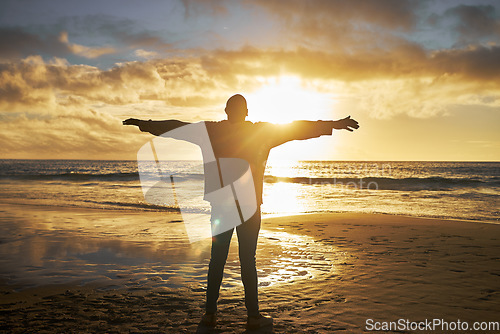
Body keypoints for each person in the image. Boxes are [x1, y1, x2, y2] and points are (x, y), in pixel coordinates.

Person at [123, 94, 359, 330]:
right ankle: (252, 316)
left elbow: (176, 127)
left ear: (226, 111)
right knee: (247, 260)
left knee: (218, 259)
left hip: (223, 206)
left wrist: (145, 124)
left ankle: (210, 314)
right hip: (248, 207)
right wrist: (332, 124)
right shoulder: (260, 132)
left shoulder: (212, 131)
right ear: (246, 112)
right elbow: (296, 129)